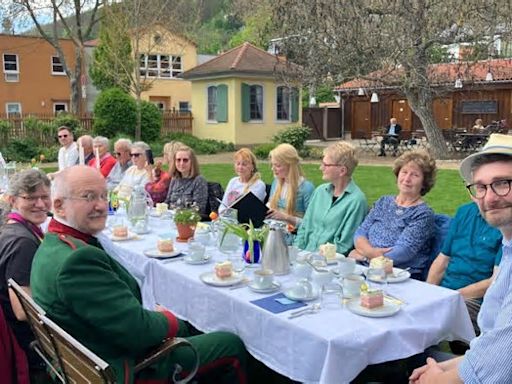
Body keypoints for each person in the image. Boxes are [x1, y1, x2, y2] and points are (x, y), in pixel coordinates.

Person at [29, 166, 250, 383]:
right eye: (89, 197)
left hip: (86, 357)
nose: (101, 205)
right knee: (230, 342)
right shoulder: (77, 261)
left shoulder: (52, 244)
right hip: (126, 366)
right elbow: (139, 331)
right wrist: (179, 320)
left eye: (104, 196)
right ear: (59, 206)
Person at [410, 133, 512, 383]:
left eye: (503, 183)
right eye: (481, 187)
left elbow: (496, 369)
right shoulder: (507, 245)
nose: (489, 198)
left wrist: (436, 378)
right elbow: (488, 348)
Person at [349, 150, 436, 280]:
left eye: (415, 175)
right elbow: (360, 233)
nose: (407, 179)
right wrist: (370, 253)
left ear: (424, 183)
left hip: (397, 275)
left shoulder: (423, 214)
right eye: (404, 172)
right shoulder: (383, 202)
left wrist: (364, 255)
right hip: (366, 268)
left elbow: (402, 253)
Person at [0, 169, 50, 375]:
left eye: (45, 197)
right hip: (26, 343)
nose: (40, 204)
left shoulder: (11, 227)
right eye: (30, 198)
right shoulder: (22, 243)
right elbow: (23, 311)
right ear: (13, 200)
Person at [427, 201, 502, 336]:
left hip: (475, 301)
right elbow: (442, 259)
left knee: (441, 315)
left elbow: (495, 281)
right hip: (446, 295)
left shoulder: (505, 223)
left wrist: (452, 297)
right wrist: (427, 293)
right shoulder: (464, 211)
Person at [294, 141, 368, 255]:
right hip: (304, 257)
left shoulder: (356, 201)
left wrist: (315, 259)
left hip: (328, 264)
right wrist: (296, 252)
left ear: (342, 170)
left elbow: (344, 245)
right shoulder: (320, 192)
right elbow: (304, 227)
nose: (320, 168)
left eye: (326, 165)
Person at [266, 143, 315, 232]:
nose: (272, 169)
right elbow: (270, 205)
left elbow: (311, 224)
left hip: (295, 236)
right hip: (274, 232)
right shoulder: (277, 182)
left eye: (277, 165)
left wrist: (285, 217)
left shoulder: (306, 188)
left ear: (290, 165)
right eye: (272, 165)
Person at [164, 145, 208, 214]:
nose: (181, 163)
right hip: (170, 218)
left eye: (185, 160)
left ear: (192, 162)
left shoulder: (199, 180)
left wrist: (180, 216)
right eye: (178, 160)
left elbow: (198, 209)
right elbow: (167, 202)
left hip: (187, 221)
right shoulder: (175, 179)